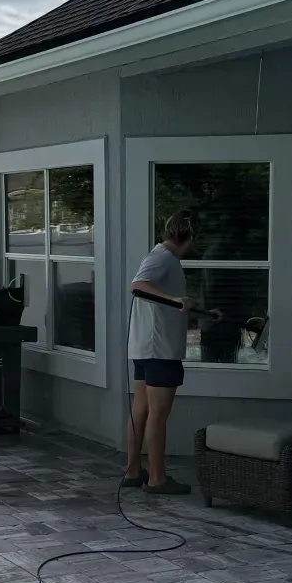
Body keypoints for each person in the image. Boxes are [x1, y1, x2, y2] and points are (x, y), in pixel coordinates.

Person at [126, 211, 218, 496]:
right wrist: (176, 300)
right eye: (194, 239)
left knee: (141, 410)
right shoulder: (163, 258)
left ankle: (132, 472)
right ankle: (157, 478)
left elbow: (165, 303)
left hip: (146, 346)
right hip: (159, 350)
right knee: (157, 414)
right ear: (188, 236)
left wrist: (200, 311)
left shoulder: (162, 258)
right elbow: (138, 286)